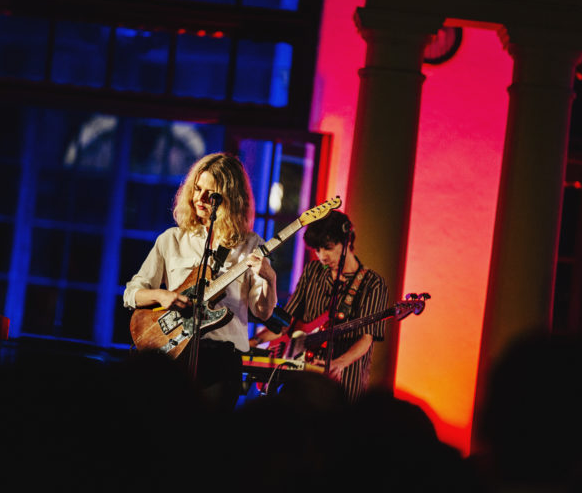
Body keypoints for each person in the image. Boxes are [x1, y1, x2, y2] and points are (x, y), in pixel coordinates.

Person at [123, 152, 277, 413]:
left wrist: (269, 278)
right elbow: (132, 293)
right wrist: (163, 296)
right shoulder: (172, 239)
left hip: (221, 362)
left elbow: (262, 312)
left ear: (231, 198)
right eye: (197, 189)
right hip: (172, 355)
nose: (200, 198)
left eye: (211, 194)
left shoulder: (252, 245)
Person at [249, 210, 387, 402]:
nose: (322, 256)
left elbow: (367, 338)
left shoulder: (372, 283)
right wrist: (254, 341)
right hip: (302, 378)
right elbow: (286, 322)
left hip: (343, 379)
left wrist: (339, 363)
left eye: (328, 248)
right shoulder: (312, 271)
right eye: (317, 249)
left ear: (347, 241)